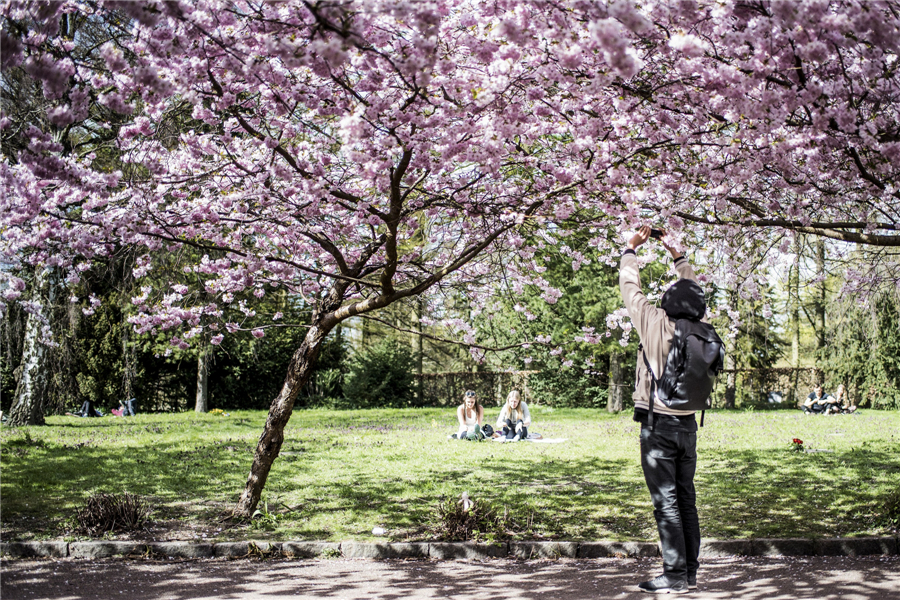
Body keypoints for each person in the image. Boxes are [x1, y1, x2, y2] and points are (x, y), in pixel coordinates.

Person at [620, 225, 703, 594]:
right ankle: (689, 572)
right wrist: (677, 255)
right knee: (686, 500)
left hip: (659, 428)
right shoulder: (700, 328)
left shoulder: (653, 322)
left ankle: (674, 576)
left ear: (667, 302)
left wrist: (630, 248)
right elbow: (693, 288)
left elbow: (630, 289)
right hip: (689, 426)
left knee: (666, 504)